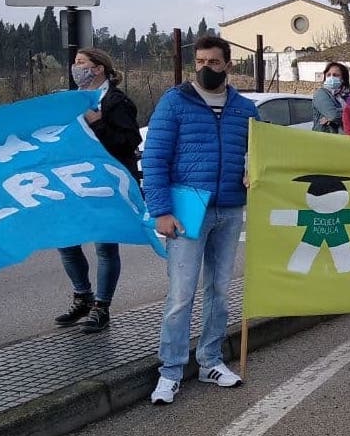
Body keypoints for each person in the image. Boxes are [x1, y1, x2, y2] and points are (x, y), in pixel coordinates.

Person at [145, 36, 259, 405]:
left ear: (228, 65)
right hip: (187, 210)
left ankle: (210, 361)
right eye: (200, 61)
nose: (205, 68)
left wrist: (254, 174)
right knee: (181, 295)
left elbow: (260, 154)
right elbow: (155, 158)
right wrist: (161, 210)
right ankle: (170, 370)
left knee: (220, 291)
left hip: (230, 208)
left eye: (213, 62)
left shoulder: (245, 109)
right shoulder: (174, 102)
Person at [53, 48, 142, 334]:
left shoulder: (116, 101)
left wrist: (98, 122)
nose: (75, 67)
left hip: (106, 184)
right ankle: (83, 297)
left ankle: (102, 307)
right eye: (75, 62)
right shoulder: (73, 100)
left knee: (104, 247)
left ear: (99, 68)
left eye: (81, 62)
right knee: (66, 240)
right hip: (76, 182)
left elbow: (129, 141)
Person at [311, 62, 350, 133]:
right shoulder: (321, 93)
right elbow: (333, 115)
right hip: (325, 137)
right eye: (328, 75)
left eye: (335, 75)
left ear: (343, 79)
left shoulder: (346, 96)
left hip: (345, 137)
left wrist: (333, 116)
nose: (331, 77)